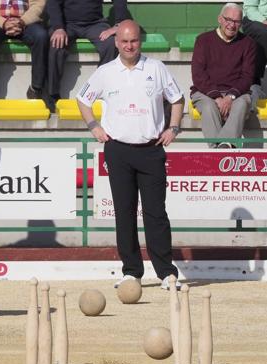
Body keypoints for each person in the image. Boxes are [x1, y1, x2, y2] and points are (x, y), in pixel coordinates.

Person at [76, 20, 184, 290]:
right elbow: (83, 99)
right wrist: (93, 126)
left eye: (133, 40)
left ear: (140, 41)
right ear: (116, 42)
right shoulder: (105, 72)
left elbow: (178, 99)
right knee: (123, 213)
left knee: (156, 214)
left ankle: (166, 273)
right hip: (118, 150)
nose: (129, 45)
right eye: (124, 41)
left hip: (151, 150)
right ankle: (131, 272)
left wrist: (174, 127)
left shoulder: (156, 68)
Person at [190, 3, 256, 148]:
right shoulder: (203, 40)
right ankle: (222, 151)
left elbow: (247, 76)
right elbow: (198, 74)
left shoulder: (248, 44)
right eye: (228, 20)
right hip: (206, 92)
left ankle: (222, 148)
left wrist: (230, 97)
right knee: (208, 107)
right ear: (220, 19)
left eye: (237, 21)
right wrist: (216, 97)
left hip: (236, 94)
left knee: (242, 103)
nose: (232, 25)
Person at [46, 0, 130, 108]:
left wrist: (119, 24)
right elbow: (53, 3)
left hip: (95, 24)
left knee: (110, 44)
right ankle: (53, 94)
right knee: (56, 45)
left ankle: (101, 90)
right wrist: (58, 27)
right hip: (67, 24)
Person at [0, 0, 48, 112]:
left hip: (24, 22)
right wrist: (3, 22)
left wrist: (23, 21)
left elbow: (38, 4)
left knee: (41, 36)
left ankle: (36, 89)